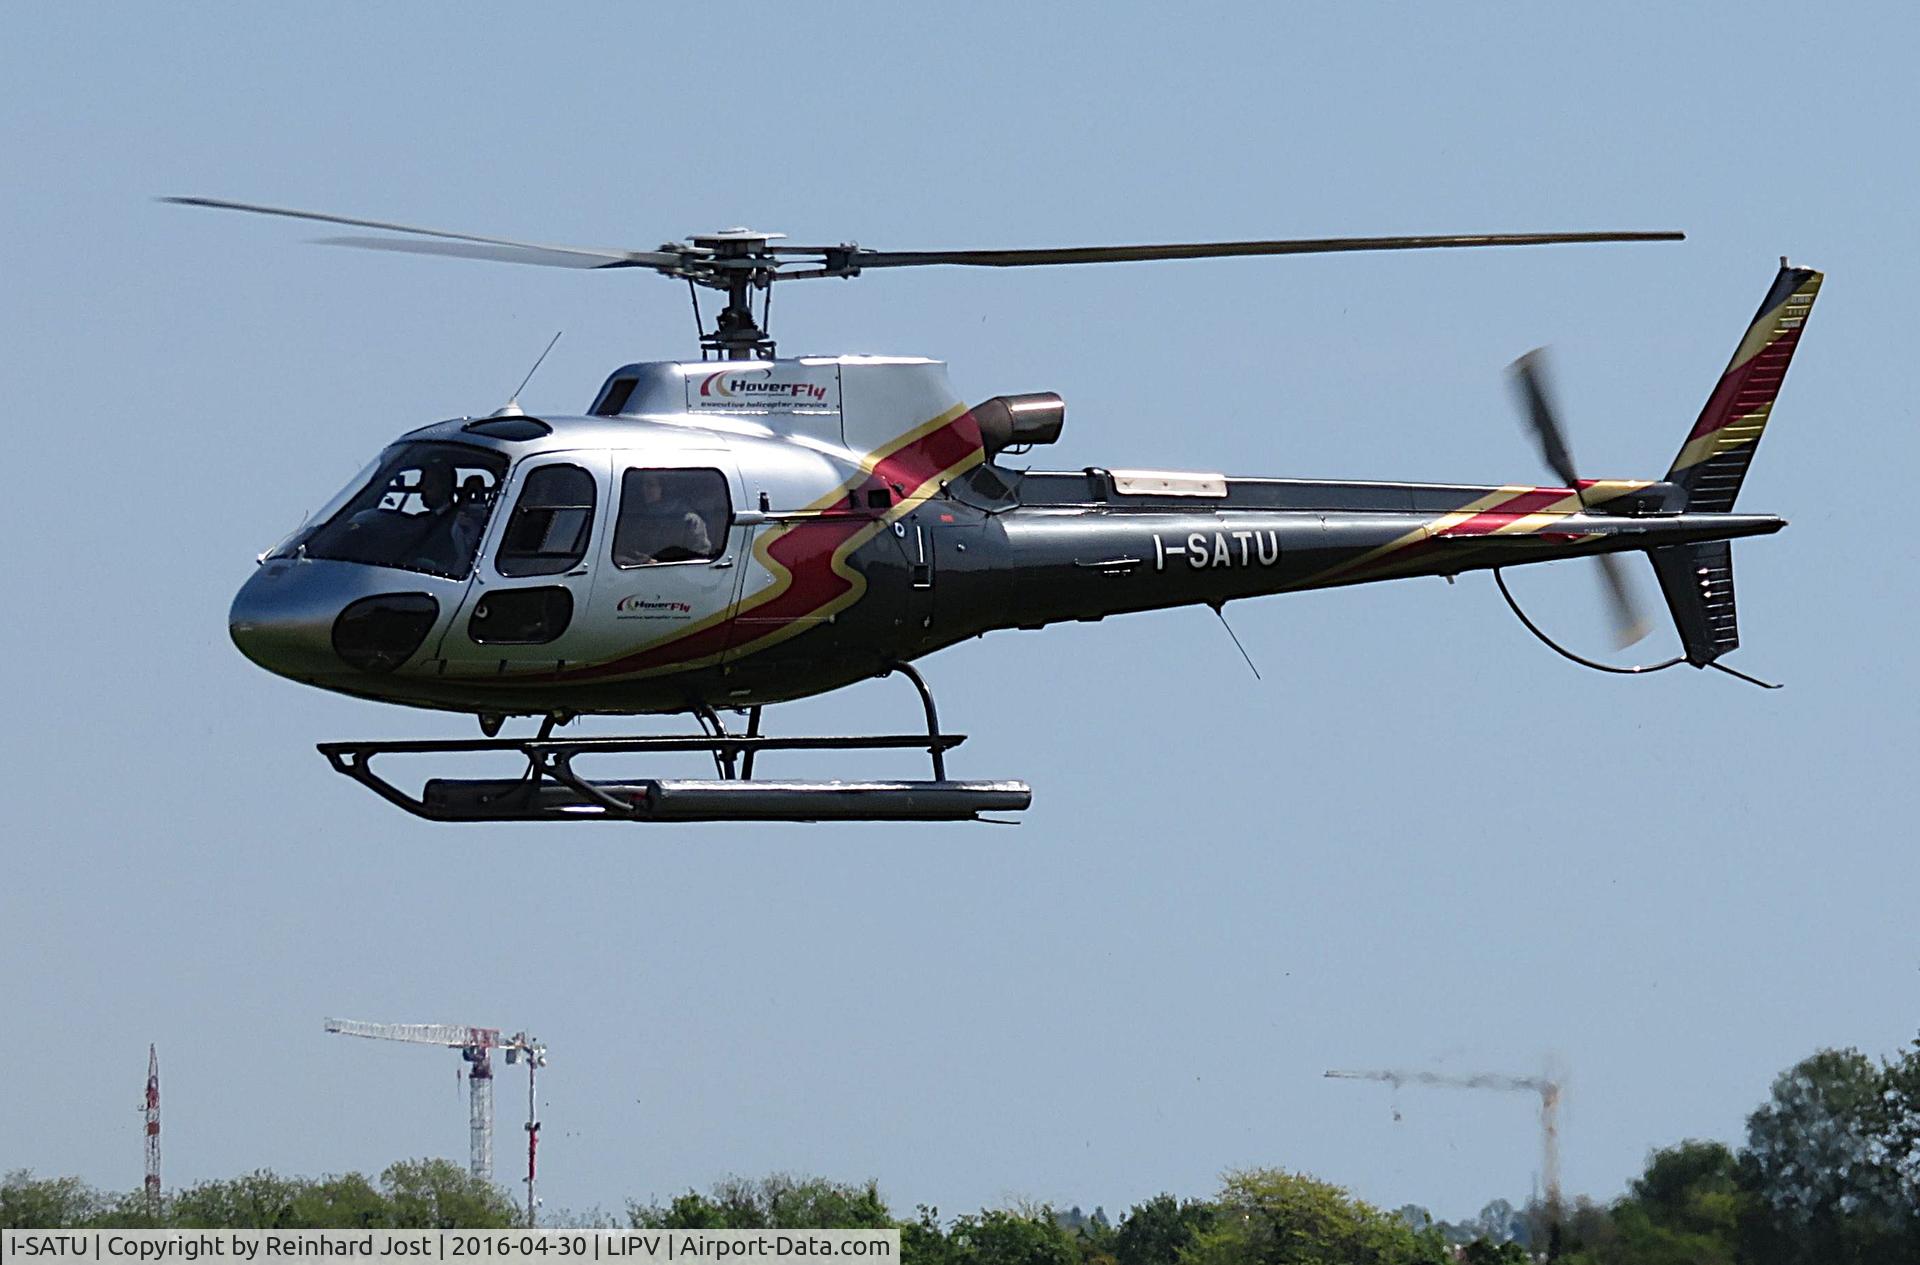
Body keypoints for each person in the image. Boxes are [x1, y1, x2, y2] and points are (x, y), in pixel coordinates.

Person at [615, 470, 713, 566]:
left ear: (664, 488)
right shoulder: (640, 517)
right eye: (643, 485)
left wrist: (662, 563)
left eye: (651, 485)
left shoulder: (690, 520)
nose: (644, 489)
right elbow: (629, 547)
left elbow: (700, 556)